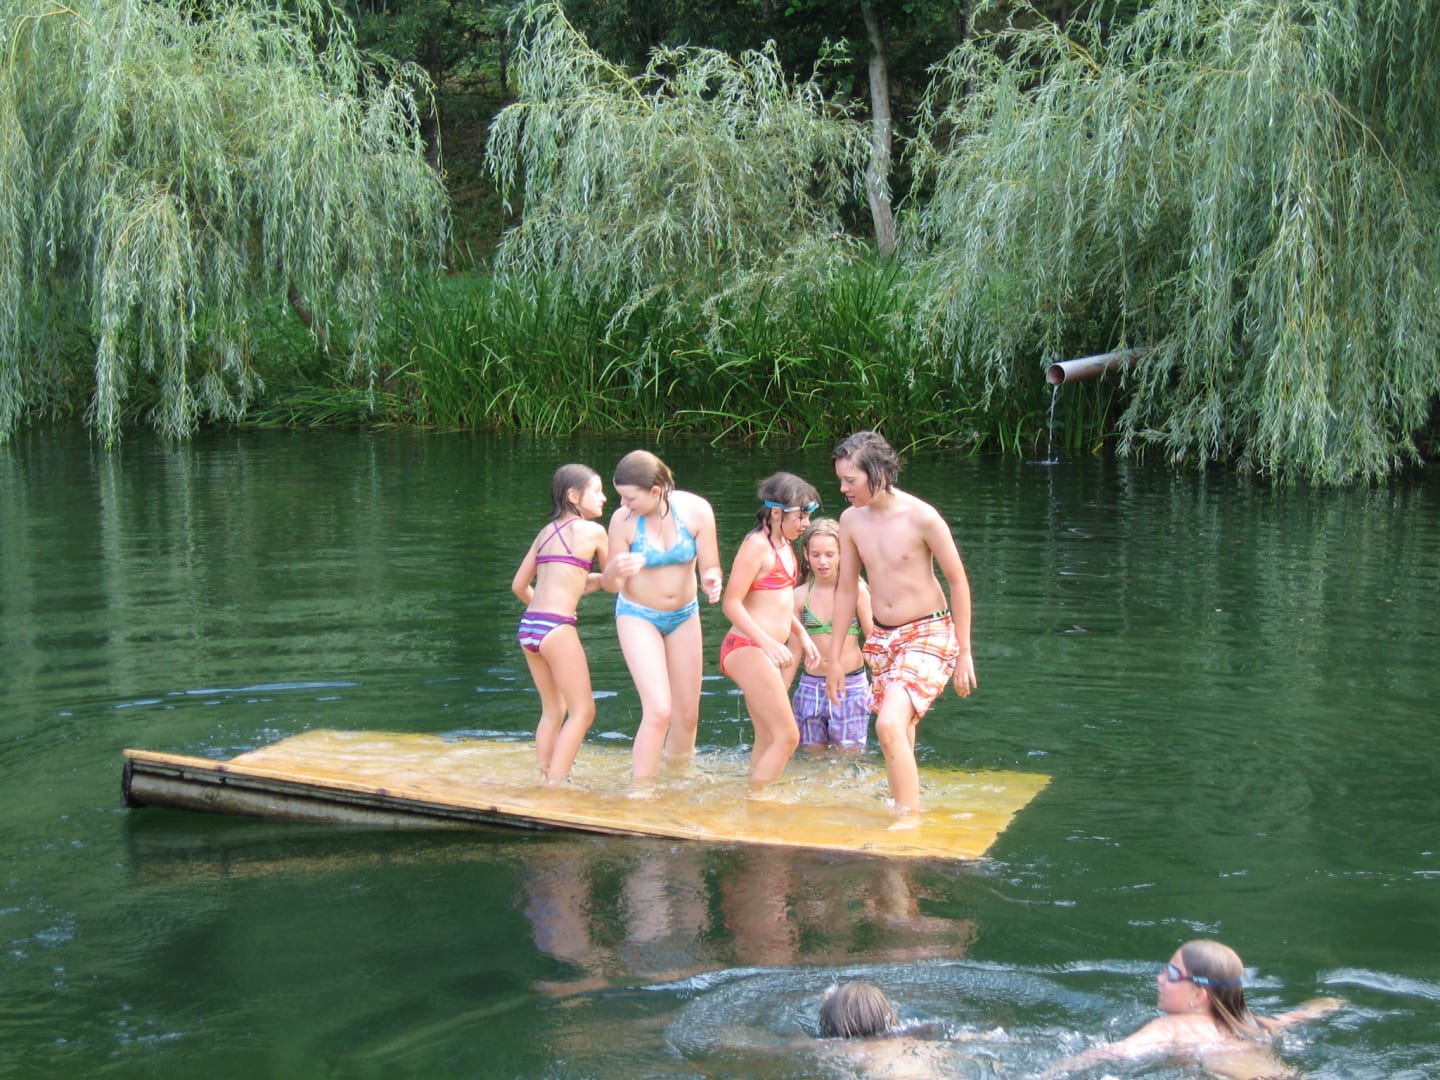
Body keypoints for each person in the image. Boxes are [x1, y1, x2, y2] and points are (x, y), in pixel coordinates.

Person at [825, 431, 976, 815]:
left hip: (928, 631)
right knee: (900, 730)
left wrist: (965, 652)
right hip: (882, 637)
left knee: (889, 725)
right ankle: (904, 802)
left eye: (850, 480)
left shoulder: (922, 517)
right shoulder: (850, 520)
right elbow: (846, 590)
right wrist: (834, 659)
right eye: (841, 480)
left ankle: (908, 821)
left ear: (878, 473)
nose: (843, 489)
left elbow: (958, 582)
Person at [1042, 940, 1347, 1079]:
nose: (1160, 978)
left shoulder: (1172, 1027)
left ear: (1199, 994)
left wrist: (1051, 1071)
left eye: (1172, 973)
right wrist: (1326, 1005)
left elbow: (1117, 1053)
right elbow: (1296, 1018)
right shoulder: (1254, 1023)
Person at [602, 450, 723, 782]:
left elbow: (711, 566)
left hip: (684, 615)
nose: (623, 504)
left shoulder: (697, 510)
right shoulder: (622, 521)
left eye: (630, 498)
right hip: (637, 615)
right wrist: (614, 569)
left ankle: (677, 781)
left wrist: (712, 580)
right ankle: (640, 790)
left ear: (655, 491)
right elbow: (611, 586)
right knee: (658, 710)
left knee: (687, 715)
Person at [718, 473, 821, 787]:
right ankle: (758, 800)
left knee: (766, 737)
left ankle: (753, 792)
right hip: (747, 647)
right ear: (777, 513)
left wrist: (801, 634)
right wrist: (767, 643)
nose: (806, 524)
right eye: (801, 516)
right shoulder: (757, 546)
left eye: (808, 516)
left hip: (764, 651)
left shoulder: (785, 546)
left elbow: (779, 603)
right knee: (788, 736)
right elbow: (730, 603)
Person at [510, 464, 609, 783]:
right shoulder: (595, 532)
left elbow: (519, 586)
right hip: (556, 628)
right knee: (584, 712)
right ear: (574, 496)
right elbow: (614, 583)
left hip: (530, 626)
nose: (604, 498)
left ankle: (544, 776)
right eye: (597, 491)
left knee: (553, 711)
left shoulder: (545, 532)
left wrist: (545, 610)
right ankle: (557, 783)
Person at [790, 518, 874, 750]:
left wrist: (881, 681)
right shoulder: (798, 596)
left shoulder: (858, 592)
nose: (823, 562)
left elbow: (873, 641)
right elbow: (794, 652)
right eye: (815, 555)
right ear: (806, 554)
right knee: (812, 758)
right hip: (811, 687)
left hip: (851, 686)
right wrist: (779, 695)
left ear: (842, 554)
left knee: (848, 755)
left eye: (829, 554)